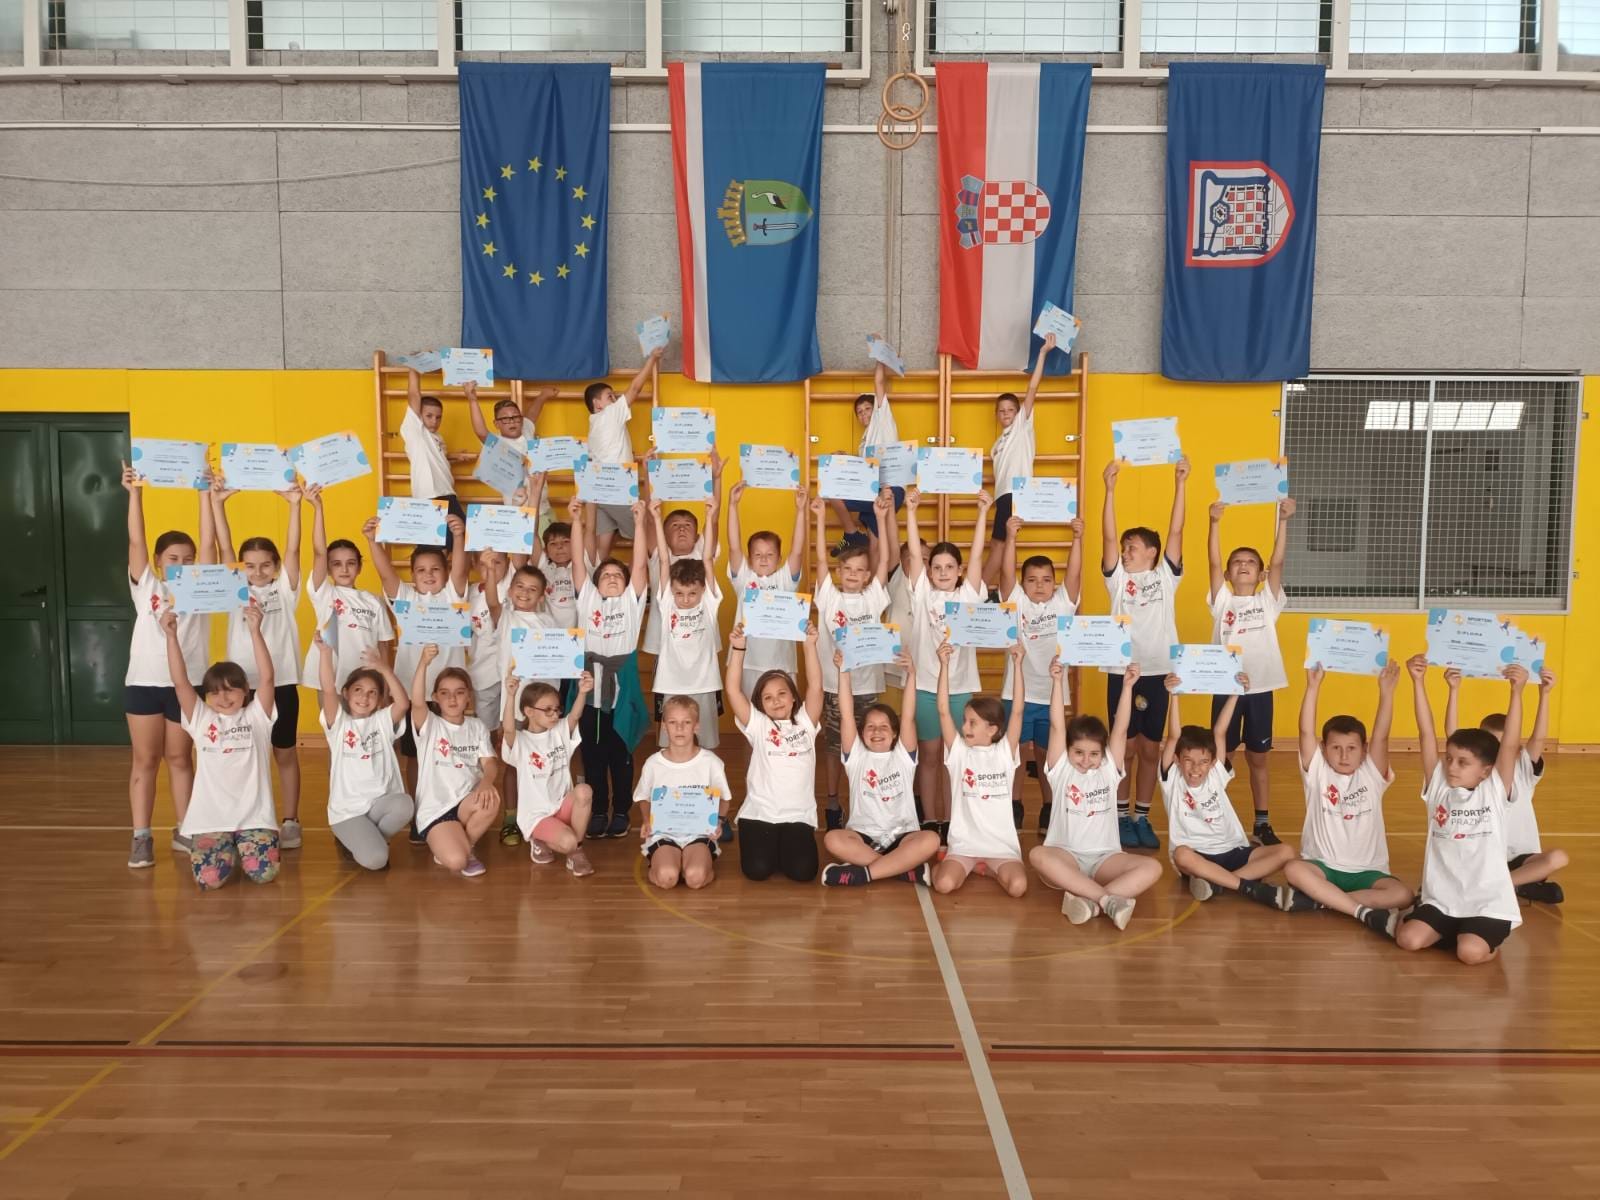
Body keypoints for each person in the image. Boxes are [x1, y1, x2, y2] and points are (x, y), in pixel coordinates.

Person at [1398, 657, 1529, 965]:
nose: (1452, 767)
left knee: (1469, 954)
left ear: (1486, 770)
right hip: (1443, 899)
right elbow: (1426, 734)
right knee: (1408, 940)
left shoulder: (1494, 790)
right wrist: (1418, 681)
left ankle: (1479, 941)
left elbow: (1509, 745)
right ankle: (1452, 931)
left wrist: (1517, 691)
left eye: (1463, 762)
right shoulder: (1440, 787)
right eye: (1449, 759)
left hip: (1486, 902)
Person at [121, 459, 215, 867]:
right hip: (144, 683)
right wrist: (135, 494)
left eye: (189, 558)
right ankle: (141, 836)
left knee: (180, 758)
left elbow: (210, 544)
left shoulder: (203, 587)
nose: (183, 563)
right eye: (174, 558)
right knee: (144, 760)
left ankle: (185, 829)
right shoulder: (147, 586)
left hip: (186, 686)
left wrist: (204, 493)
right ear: (159, 561)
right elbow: (136, 540)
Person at [1281, 663, 1412, 936]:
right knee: (1294, 869)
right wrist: (1313, 686)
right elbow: (1305, 732)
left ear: (1364, 750)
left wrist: (1387, 692)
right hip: (1323, 868)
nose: (1343, 755)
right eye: (1336, 748)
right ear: (1323, 749)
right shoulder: (1317, 772)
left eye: (1352, 748)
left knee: (1403, 894)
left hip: (1368, 872)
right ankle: (1359, 911)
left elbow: (1381, 736)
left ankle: (1320, 901)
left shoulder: (1371, 774)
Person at [1030, 660, 1160, 928]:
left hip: (1105, 859)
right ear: (1068, 751)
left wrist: (1128, 687)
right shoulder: (1061, 769)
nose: (1086, 760)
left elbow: (1121, 729)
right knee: (1037, 855)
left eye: (1093, 754)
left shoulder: (1110, 769)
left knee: (1153, 868)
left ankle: (1089, 902)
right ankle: (1107, 899)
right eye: (1078, 752)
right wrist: (1057, 682)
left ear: (1103, 754)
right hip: (1066, 856)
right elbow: (1057, 726)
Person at [1101, 456, 1188, 850]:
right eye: (1124, 548)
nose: (1125, 552)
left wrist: (1180, 483)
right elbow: (1107, 539)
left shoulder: (1166, 577)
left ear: (1152, 552)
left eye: (1132, 547)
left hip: (1158, 673)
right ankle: (1121, 816)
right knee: (1124, 745)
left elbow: (1176, 529)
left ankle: (1142, 816)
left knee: (1151, 748)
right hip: (1122, 673)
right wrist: (1109, 490)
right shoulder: (1118, 580)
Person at [212, 482, 306, 850]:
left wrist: (295, 505)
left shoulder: (285, 590)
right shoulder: (234, 588)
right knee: (244, 756)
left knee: (284, 753)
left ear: (276, 566)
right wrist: (218, 504)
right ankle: (247, 819)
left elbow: (294, 548)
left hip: (281, 684)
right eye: (250, 565)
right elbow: (224, 548)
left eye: (266, 564)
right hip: (242, 689)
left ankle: (291, 820)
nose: (258, 571)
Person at [161, 603, 279, 891]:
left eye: (230, 690)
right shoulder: (201, 719)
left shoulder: (257, 717)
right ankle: (228, 847)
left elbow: (267, 678)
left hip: (254, 818)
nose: (223, 698)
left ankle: (243, 846)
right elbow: (180, 683)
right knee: (209, 880)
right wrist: (171, 637)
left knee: (263, 874)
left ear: (245, 691)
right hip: (211, 820)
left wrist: (255, 631)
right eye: (214, 692)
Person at [1206, 497, 1295, 846]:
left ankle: (1261, 822)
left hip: (1259, 691)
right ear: (1229, 574)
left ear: (1261, 575)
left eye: (1251, 562)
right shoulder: (1222, 601)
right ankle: (1217, 818)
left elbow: (1279, 560)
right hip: (1226, 690)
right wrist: (1214, 523)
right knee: (1221, 756)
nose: (1243, 565)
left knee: (1258, 758)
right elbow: (1213, 561)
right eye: (1237, 562)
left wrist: (1283, 520)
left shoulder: (1267, 601)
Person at [904, 486, 991, 840]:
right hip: (925, 688)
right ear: (928, 570)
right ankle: (931, 820)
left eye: (949, 567)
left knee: (955, 759)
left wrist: (983, 512)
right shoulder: (922, 592)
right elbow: (913, 551)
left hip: (959, 691)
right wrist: (911, 511)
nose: (942, 572)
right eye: (936, 567)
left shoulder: (969, 594)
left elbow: (979, 553)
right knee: (929, 756)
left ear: (959, 570)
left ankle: (955, 822)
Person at [1162, 678, 1295, 909]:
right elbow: (1173, 736)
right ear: (1176, 759)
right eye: (1188, 760)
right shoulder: (1171, 779)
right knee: (1181, 855)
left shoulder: (1216, 774)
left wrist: (1235, 693)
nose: (1195, 768)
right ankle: (1248, 887)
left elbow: (1220, 732)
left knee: (1287, 852)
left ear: (1213, 762)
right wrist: (1174, 695)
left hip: (1232, 851)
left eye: (1203, 761)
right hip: (1197, 855)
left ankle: (1219, 884)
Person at [366, 510, 470, 794]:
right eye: (421, 570)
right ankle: (417, 804)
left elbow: (461, 570)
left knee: (449, 752)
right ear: (412, 575)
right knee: (414, 754)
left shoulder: (453, 596)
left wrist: (459, 536)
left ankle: (448, 801)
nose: (428, 574)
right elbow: (385, 573)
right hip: (414, 692)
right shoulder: (406, 599)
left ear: (446, 572)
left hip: (448, 693)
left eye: (436, 569)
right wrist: (372, 541)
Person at [1446, 666, 1568, 905]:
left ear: (1516, 747)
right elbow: (1453, 735)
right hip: (1485, 856)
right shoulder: (1475, 773)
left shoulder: (1523, 769)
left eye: (1504, 744)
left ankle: (1503, 885)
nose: (1499, 750)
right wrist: (1454, 690)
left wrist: (1545, 694)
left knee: (1557, 858)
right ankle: (1517, 886)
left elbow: (1538, 738)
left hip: (1522, 858)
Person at [812, 489, 895, 830]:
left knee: (868, 745)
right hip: (835, 688)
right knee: (835, 748)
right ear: (839, 570)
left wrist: (882, 519)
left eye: (860, 570)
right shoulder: (829, 598)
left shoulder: (874, 597)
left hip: (867, 688)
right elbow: (820, 561)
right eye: (847, 568)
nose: (852, 574)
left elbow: (885, 560)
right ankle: (833, 802)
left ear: (866, 575)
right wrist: (819, 518)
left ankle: (865, 800)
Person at [819, 652, 939, 886]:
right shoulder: (856, 756)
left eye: (884, 726)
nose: (877, 731)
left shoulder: (903, 755)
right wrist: (843, 672)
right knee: (832, 839)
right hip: (863, 837)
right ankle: (901, 869)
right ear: (862, 733)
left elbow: (908, 716)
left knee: (931, 840)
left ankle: (863, 874)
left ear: (894, 733)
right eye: (870, 727)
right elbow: (846, 715)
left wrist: (911, 674)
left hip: (902, 836)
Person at [571, 496, 651, 839]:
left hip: (622, 691)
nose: (613, 578)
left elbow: (641, 565)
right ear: (595, 583)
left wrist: (640, 521)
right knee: (593, 757)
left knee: (621, 755)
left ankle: (620, 811)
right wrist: (576, 522)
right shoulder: (588, 599)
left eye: (619, 575)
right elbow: (578, 561)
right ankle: (598, 810)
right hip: (590, 690)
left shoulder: (632, 602)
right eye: (606, 575)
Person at [999, 511, 1083, 833]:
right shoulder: (1016, 602)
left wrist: (1077, 538)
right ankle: (1014, 805)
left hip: (1052, 696)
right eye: (1032, 580)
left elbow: (1074, 573)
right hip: (1016, 694)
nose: (1039, 585)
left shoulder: (1063, 604)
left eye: (1046, 579)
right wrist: (1011, 537)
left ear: (1055, 584)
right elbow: (1006, 572)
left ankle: (1050, 807)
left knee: (1049, 754)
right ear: (1023, 585)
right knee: (1017, 755)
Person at [726, 621, 825, 883]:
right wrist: (738, 649)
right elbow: (733, 690)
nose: (776, 700)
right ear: (760, 705)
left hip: (798, 815)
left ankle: (784, 846)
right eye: (768, 697)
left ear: (793, 697)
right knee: (757, 870)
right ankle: (771, 845)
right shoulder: (758, 725)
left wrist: (809, 646)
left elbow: (816, 686)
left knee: (803, 873)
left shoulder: (806, 722)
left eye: (782, 693)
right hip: (760, 814)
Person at [931, 640, 1029, 898]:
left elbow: (1018, 712)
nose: (965, 727)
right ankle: (956, 864)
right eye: (965, 721)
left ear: (992, 729)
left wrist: (1018, 665)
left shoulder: (1004, 752)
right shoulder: (959, 752)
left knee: (1018, 888)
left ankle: (985, 869)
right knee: (943, 885)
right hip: (964, 846)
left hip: (1000, 848)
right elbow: (943, 711)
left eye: (973, 723)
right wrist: (944, 665)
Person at [314, 637, 411, 871]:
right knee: (377, 860)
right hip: (348, 813)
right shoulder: (339, 724)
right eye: (358, 690)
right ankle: (357, 840)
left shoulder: (382, 721)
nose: (364, 697)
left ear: (379, 700)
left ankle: (367, 839)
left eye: (372, 693)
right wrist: (325, 653)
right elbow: (328, 689)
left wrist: (384, 668)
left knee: (405, 805)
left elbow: (403, 704)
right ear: (346, 693)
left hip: (378, 805)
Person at [410, 645, 500, 878]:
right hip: (436, 810)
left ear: (468, 696)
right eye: (445, 693)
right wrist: (424, 662)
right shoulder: (430, 724)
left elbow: (490, 763)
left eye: (459, 692)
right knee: (457, 861)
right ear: (435, 697)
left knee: (491, 798)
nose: (452, 698)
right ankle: (456, 849)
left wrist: (486, 782)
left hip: (465, 804)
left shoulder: (477, 726)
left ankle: (466, 846)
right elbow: (417, 701)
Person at [299, 483, 392, 699]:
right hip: (329, 677)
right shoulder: (324, 593)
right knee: (332, 723)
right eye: (336, 564)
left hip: (365, 681)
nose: (344, 569)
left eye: (350, 563)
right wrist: (318, 508)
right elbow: (319, 552)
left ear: (359, 567)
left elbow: (384, 647)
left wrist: (386, 688)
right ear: (328, 568)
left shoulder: (374, 601)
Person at [500, 669, 595, 875]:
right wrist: (510, 695)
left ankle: (576, 851)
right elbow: (508, 729)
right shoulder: (521, 742)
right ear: (529, 711)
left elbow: (575, 715)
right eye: (548, 710)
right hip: (537, 816)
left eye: (557, 709)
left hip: (561, 807)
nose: (555, 714)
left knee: (584, 791)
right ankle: (540, 838)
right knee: (567, 841)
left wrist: (583, 691)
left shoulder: (559, 731)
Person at [634, 695, 733, 890]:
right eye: (673, 722)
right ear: (664, 726)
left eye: (686, 722)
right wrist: (647, 820)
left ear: (696, 726)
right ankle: (665, 865)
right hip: (664, 832)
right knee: (667, 878)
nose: (679, 728)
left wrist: (719, 822)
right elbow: (643, 797)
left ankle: (696, 864)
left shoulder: (711, 762)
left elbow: (724, 799)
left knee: (695, 879)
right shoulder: (653, 763)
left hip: (699, 832)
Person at [647, 498, 723, 750]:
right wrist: (656, 518)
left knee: (707, 743)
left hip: (705, 682)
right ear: (671, 591)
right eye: (679, 593)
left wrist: (710, 517)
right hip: (671, 683)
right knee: (671, 743)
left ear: (703, 590)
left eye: (692, 594)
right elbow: (663, 561)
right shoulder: (667, 602)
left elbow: (707, 559)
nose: (686, 599)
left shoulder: (709, 603)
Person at [980, 333, 1052, 588]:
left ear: (1019, 412)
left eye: (1011, 409)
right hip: (1003, 496)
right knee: (1006, 544)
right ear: (996, 415)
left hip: (1016, 494)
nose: (1006, 413)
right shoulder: (996, 445)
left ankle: (975, 593)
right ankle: (1008, 593)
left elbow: (1032, 388)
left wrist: (1042, 353)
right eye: (1001, 410)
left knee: (998, 545)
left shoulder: (1022, 427)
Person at [726, 481, 808, 700]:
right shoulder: (744, 579)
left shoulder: (785, 580)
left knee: (784, 714)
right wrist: (732, 505)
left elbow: (797, 550)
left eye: (770, 554)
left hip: (782, 663)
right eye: (757, 554)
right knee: (750, 714)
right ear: (749, 559)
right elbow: (734, 546)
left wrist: (801, 510)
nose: (763, 559)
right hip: (747, 662)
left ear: (779, 558)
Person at [639, 449, 724, 662]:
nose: (682, 529)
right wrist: (648, 474)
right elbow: (650, 519)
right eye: (675, 525)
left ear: (697, 536)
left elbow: (713, 518)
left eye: (687, 525)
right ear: (664, 535)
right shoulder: (659, 554)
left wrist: (716, 478)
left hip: (701, 640)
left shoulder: (703, 552)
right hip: (664, 640)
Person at [584, 347, 663, 560]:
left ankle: (597, 577)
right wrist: (652, 359)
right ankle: (642, 577)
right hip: (617, 488)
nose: (615, 399)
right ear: (597, 404)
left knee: (602, 549)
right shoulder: (610, 414)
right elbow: (635, 388)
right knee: (645, 532)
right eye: (610, 396)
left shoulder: (593, 425)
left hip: (598, 491)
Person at [826, 351, 903, 558]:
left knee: (832, 491)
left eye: (867, 409)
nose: (863, 414)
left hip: (890, 489)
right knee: (875, 546)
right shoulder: (865, 442)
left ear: (876, 409)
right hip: (873, 489)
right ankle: (876, 579)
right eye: (859, 412)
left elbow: (879, 382)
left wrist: (880, 354)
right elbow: (865, 469)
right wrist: (845, 459)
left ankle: (851, 533)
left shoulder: (882, 421)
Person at [463, 377, 557, 531]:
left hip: (545, 509)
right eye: (505, 419)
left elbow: (532, 415)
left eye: (515, 417)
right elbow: (480, 431)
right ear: (496, 424)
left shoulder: (526, 429)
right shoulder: (497, 444)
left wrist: (543, 396)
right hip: (521, 513)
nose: (512, 421)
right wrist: (472, 399)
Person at [401, 366, 475, 545]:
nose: (434, 421)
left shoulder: (437, 438)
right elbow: (414, 395)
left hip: (447, 494)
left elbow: (435, 459)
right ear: (418, 416)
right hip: (431, 496)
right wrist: (414, 368)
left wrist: (454, 457)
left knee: (460, 542)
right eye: (429, 416)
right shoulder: (415, 431)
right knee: (443, 546)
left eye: (438, 417)